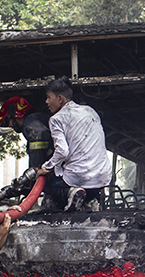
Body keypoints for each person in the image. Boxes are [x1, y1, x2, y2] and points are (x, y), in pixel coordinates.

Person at [36, 76, 112, 212]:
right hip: (102, 176)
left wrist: (46, 168)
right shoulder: (90, 111)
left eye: (48, 97)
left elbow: (62, 151)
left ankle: (71, 193)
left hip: (79, 177)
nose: (46, 102)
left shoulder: (56, 119)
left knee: (47, 184)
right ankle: (90, 200)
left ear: (60, 98)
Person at [0, 96, 53, 171]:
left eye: (8, 121)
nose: (10, 126)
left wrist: (38, 168)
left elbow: (38, 150)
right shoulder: (35, 120)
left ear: (13, 114)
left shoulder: (31, 124)